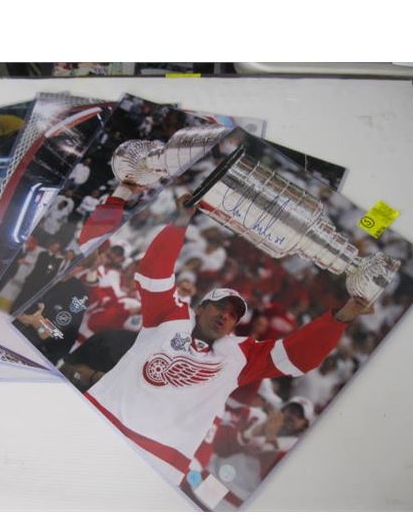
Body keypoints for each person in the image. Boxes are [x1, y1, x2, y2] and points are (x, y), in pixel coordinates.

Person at [85, 194, 373, 484]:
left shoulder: (240, 355)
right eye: (220, 306)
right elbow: (152, 273)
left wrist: (342, 316)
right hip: (100, 417)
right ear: (200, 308)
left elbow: (297, 357)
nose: (225, 315)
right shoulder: (170, 315)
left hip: (156, 459)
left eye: (234, 315)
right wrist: (182, 220)